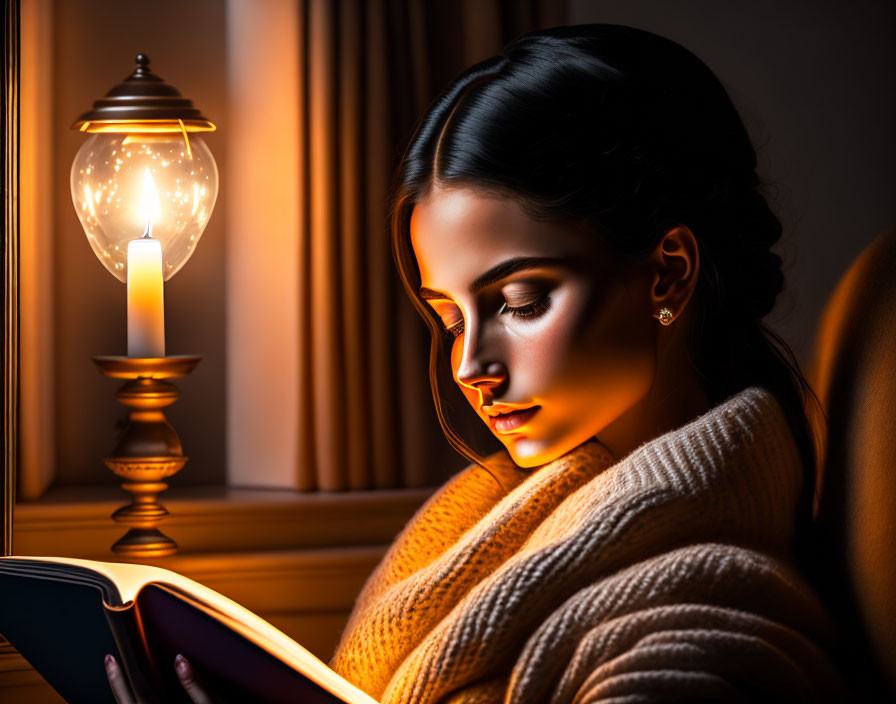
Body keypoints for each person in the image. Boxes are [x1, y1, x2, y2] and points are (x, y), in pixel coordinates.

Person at [106, 23, 850, 704]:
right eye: (449, 316)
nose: (468, 365)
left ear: (668, 274)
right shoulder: (502, 532)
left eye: (521, 301)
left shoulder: (705, 631)